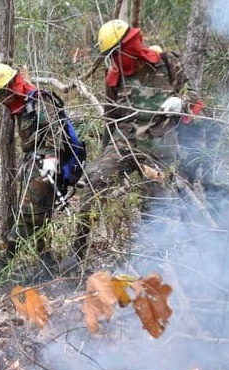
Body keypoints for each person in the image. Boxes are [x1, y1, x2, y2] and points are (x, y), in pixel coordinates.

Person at [67, 19, 201, 268]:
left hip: (160, 143)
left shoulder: (166, 62)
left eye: (115, 54)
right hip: (126, 142)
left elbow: (193, 96)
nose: (113, 61)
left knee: (155, 203)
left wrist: (181, 103)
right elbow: (110, 118)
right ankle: (77, 253)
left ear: (128, 47)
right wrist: (106, 154)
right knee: (94, 180)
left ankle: (152, 262)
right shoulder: (114, 77)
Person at [0, 63, 82, 266]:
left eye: (3, 95)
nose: (2, 100)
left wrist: (51, 161)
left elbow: (54, 131)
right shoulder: (22, 102)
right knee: (41, 214)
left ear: (10, 87)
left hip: (48, 164)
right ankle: (47, 261)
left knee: (29, 212)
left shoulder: (39, 100)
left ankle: (4, 262)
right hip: (34, 162)